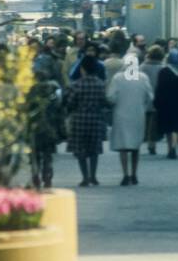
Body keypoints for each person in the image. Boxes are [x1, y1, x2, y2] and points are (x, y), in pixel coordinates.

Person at [106, 53, 153, 184]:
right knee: (135, 146)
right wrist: (143, 104)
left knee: (123, 146)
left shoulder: (118, 78)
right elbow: (150, 96)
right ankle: (134, 174)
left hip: (121, 114)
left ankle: (125, 174)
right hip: (138, 114)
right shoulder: (143, 77)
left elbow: (111, 97)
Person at [65, 50, 109, 186]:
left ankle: (84, 177)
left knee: (81, 150)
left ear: (82, 69)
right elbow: (104, 102)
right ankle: (93, 176)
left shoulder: (76, 85)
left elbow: (70, 103)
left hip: (79, 119)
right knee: (94, 150)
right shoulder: (100, 85)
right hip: (96, 119)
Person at [154, 49, 178, 158]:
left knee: (168, 127)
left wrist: (157, 101)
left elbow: (159, 88)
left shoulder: (163, 72)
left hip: (166, 103)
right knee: (176, 127)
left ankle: (170, 148)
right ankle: (174, 146)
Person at [141, 44, 165, 154]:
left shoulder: (143, 67)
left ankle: (143, 138)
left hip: (145, 96)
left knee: (144, 120)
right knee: (154, 122)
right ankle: (152, 143)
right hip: (158, 97)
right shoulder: (163, 68)